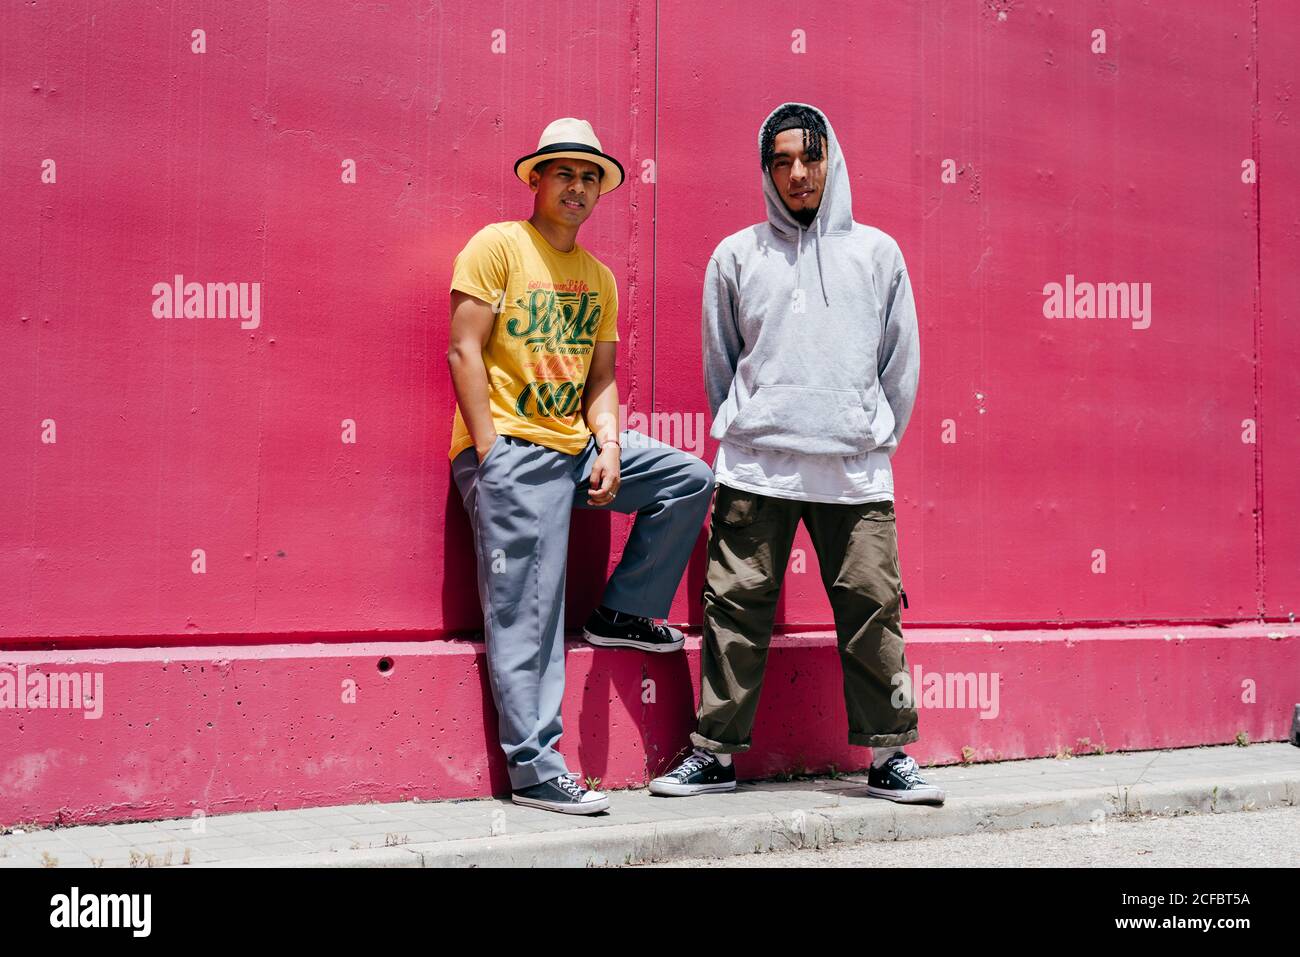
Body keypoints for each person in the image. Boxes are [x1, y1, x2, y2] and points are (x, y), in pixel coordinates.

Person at [649, 102, 944, 804]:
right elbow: (722, 364)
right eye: (780, 161)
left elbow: (900, 367)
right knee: (734, 609)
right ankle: (714, 755)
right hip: (756, 466)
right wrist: (757, 421)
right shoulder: (736, 255)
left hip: (855, 470)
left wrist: (866, 432)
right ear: (766, 172)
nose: (797, 173)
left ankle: (889, 755)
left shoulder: (878, 254)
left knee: (873, 608)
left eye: (808, 157)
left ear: (830, 159)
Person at [446, 117, 714, 815]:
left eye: (590, 176)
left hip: (576, 446)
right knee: (528, 611)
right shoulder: (499, 246)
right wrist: (490, 452)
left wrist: (614, 446)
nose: (577, 186)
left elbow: (601, 380)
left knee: (689, 478)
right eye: (564, 172)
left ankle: (624, 610)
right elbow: (463, 350)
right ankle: (535, 768)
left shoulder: (596, 277)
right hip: (511, 451)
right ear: (536, 179)